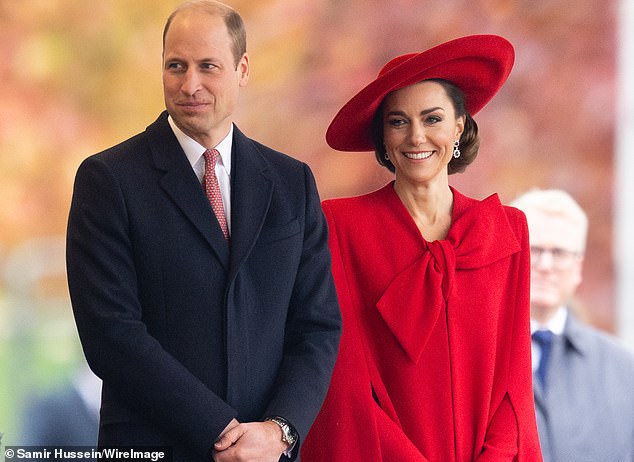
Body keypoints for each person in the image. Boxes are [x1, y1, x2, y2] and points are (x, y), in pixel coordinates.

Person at [65, 2, 341, 461]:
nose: (189, 84)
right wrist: (223, 432)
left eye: (208, 66)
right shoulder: (108, 180)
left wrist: (279, 432)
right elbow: (111, 335)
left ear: (242, 68)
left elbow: (318, 326)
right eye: (176, 66)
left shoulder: (293, 183)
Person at [301, 35, 542, 461]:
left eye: (432, 119)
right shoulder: (340, 225)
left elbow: (515, 378)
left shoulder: (506, 230)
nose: (416, 137)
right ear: (383, 136)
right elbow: (345, 377)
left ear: (459, 127)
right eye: (398, 122)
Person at [512, 189, 634, 462]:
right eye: (534, 248)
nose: (545, 264)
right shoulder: (471, 356)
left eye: (560, 252)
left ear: (578, 267)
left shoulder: (622, 370)